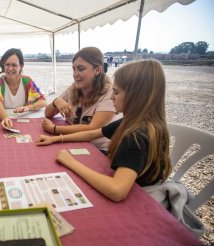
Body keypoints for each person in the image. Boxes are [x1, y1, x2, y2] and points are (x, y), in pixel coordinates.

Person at [36, 59, 172, 202]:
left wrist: (71, 162)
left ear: (136, 96)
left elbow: (117, 190)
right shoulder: (134, 121)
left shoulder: (135, 136)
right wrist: (56, 138)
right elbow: (93, 133)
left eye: (116, 92)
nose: (112, 97)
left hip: (144, 200)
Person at [43, 47, 117, 152]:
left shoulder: (109, 93)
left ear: (98, 70)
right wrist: (56, 102)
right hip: (71, 143)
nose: (75, 74)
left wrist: (54, 129)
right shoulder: (73, 88)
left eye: (81, 69)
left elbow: (93, 128)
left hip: (99, 150)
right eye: (74, 69)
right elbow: (48, 114)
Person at [0, 48, 47, 128]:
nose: (10, 68)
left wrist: (27, 107)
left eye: (14, 65)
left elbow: (43, 102)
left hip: (22, 120)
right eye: (7, 64)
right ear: (3, 65)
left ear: (21, 66)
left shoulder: (27, 81)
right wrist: (5, 118)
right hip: (2, 120)